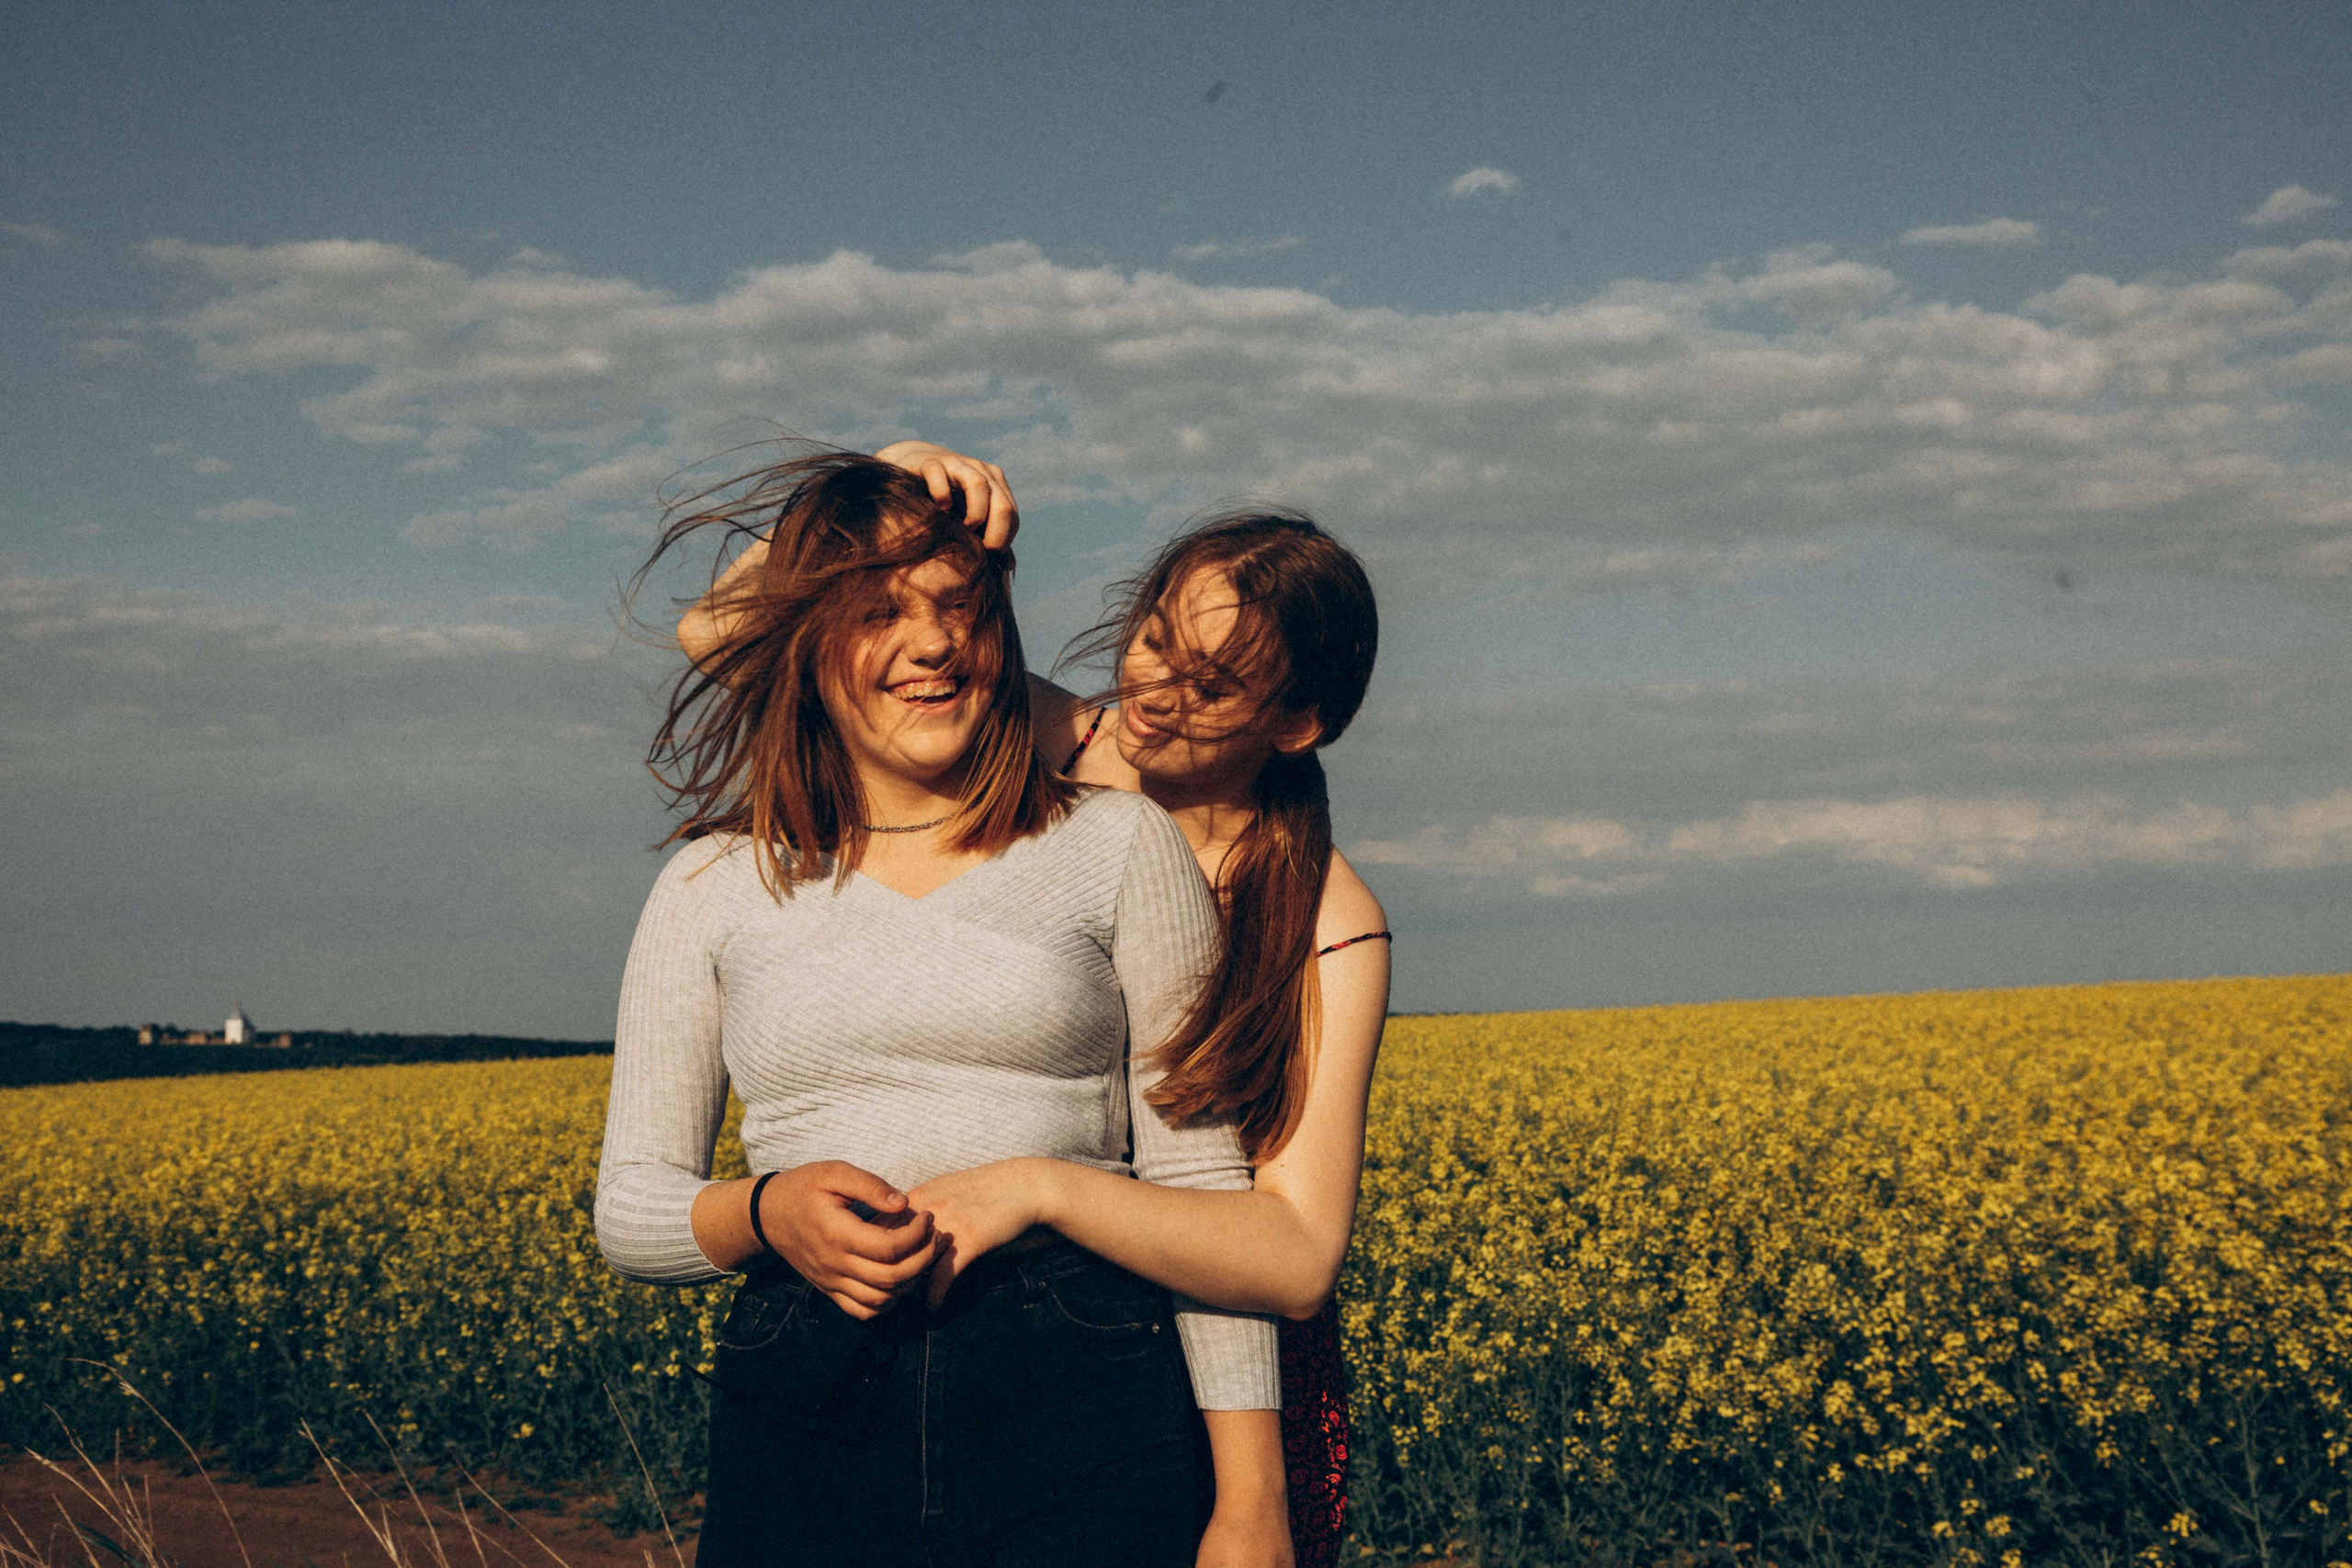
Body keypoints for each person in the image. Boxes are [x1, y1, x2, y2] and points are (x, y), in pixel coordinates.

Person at [679, 442, 1391, 1568]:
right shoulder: (1079, 753)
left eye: (1210, 682)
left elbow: (1294, 1255)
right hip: (1051, 1363)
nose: (1152, 690)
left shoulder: (1322, 922)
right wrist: (887, 485)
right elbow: (730, 638)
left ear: (1296, 723)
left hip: (1227, 1383)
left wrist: (1040, 1190)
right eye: (1152, 636)